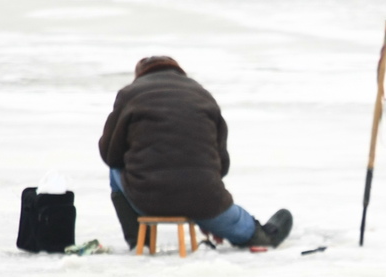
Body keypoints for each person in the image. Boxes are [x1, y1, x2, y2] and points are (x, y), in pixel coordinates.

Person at [99, 56, 291, 250]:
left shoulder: (129, 94)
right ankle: (253, 234)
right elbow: (221, 163)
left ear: (139, 75)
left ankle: (141, 242)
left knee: (115, 170)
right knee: (254, 235)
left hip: (147, 200)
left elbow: (110, 154)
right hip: (206, 200)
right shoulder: (203, 95)